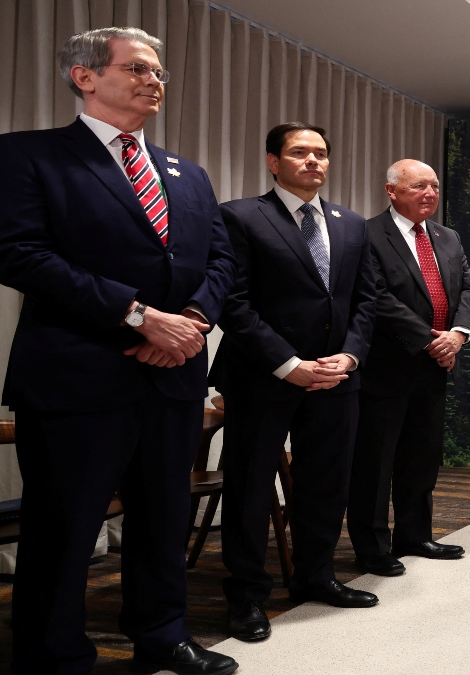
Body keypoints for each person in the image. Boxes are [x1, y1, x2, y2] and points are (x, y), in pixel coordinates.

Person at [0, 27, 238, 674]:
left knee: (163, 519)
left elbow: (219, 259)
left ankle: (162, 632)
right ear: (85, 77)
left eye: (157, 72)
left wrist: (188, 321)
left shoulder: (187, 174)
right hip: (78, 376)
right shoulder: (28, 156)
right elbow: (19, 253)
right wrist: (138, 317)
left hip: (173, 375)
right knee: (65, 529)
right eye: (137, 69)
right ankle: (55, 654)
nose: (154, 81)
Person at [210, 122, 378, 642]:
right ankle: (246, 596)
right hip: (263, 376)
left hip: (336, 379)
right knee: (251, 487)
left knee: (326, 483)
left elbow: (365, 301)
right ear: (272, 161)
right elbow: (232, 302)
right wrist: (289, 364)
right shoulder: (240, 216)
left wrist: (348, 359)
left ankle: (316, 577)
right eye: (300, 152)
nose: (313, 162)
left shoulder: (351, 224)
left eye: (322, 154)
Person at [347, 159, 470, 575]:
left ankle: (415, 535)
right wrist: (430, 339)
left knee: (422, 458)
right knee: (376, 462)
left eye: (435, 186)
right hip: (387, 366)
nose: (430, 193)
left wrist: (457, 335)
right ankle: (371, 548)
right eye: (420, 186)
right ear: (392, 191)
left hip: (436, 365)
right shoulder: (367, 234)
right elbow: (376, 296)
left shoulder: (447, 236)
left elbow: (469, 290)